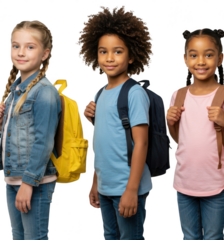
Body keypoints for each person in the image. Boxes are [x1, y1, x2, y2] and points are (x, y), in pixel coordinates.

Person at [77, 4, 154, 239]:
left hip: (127, 188)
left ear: (132, 55)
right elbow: (103, 144)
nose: (109, 58)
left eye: (118, 51)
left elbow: (141, 143)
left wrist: (131, 190)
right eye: (103, 51)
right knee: (110, 236)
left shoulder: (134, 93)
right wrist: (95, 183)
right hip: (105, 186)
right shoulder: (100, 93)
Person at [166, 27, 224, 240]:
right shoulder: (178, 95)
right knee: (189, 237)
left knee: (213, 237)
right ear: (185, 59)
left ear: (220, 58)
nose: (201, 61)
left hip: (216, 183)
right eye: (194, 55)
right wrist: (169, 122)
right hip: (184, 182)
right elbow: (179, 139)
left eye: (209, 55)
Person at [0, 19, 61, 239]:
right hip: (13, 178)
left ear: (44, 54)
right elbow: (20, 137)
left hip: (33, 181)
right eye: (16, 46)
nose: (21, 52)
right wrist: (0, 124)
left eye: (30, 47)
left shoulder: (44, 92)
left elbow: (43, 142)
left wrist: (28, 184)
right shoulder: (15, 90)